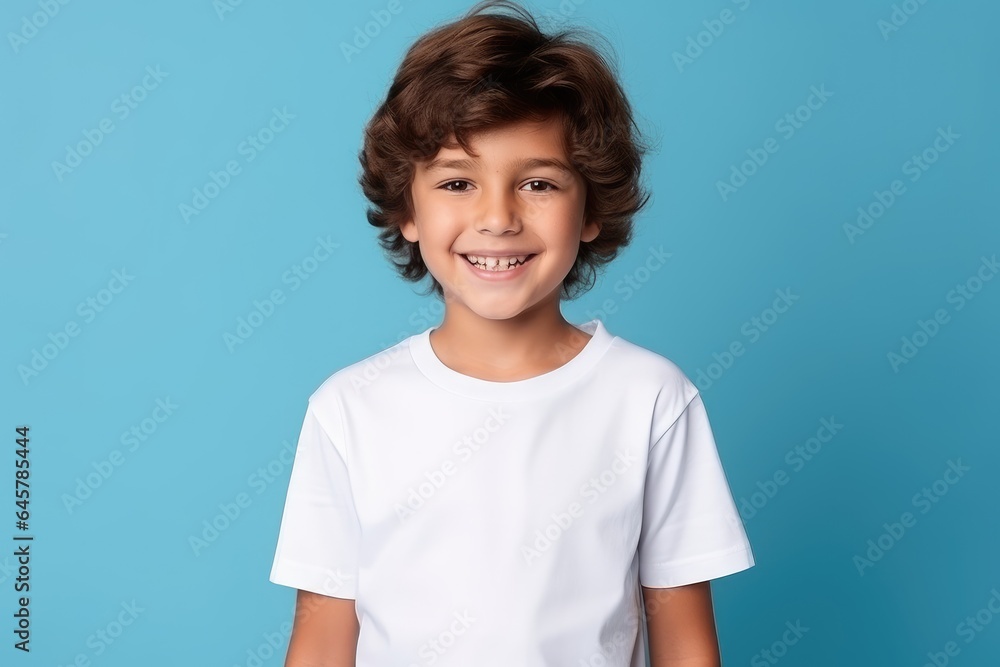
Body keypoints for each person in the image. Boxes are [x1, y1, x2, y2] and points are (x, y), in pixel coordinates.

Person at [268, 1, 755, 664]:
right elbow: (322, 642)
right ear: (408, 208)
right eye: (457, 182)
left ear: (590, 207)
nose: (497, 218)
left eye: (537, 183)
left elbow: (686, 644)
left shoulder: (650, 399)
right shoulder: (349, 409)